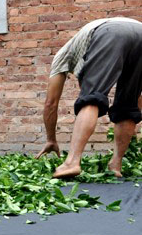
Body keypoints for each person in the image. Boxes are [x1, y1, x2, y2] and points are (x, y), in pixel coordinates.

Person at [36, 17, 142, 179]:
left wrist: (51, 139)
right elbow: (137, 101)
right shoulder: (82, 44)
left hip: (110, 33)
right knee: (128, 106)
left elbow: (51, 103)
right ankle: (115, 165)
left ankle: (72, 162)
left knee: (91, 98)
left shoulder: (61, 56)